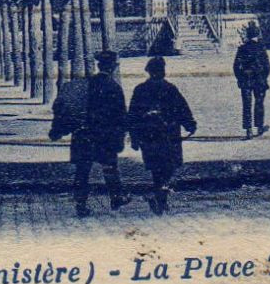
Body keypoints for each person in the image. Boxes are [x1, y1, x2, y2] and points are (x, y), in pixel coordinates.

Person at [49, 49, 130, 218]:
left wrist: (58, 129)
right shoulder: (114, 87)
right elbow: (120, 116)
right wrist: (120, 137)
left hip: (83, 135)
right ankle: (116, 197)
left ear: (99, 65)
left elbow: (70, 107)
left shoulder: (84, 84)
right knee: (110, 168)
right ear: (113, 67)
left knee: (82, 171)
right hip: (104, 136)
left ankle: (81, 204)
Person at [127, 56, 197, 215]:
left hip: (151, 138)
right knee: (167, 167)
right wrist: (190, 124)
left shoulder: (141, 90)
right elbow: (182, 109)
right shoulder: (169, 88)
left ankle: (159, 197)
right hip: (166, 137)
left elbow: (132, 116)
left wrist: (135, 137)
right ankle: (160, 198)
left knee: (157, 169)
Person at [232, 22, 270, 139]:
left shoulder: (242, 48)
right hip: (259, 80)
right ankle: (259, 127)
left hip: (246, 80)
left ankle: (248, 130)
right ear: (257, 34)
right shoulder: (261, 48)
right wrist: (264, 77)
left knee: (247, 104)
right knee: (259, 103)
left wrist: (240, 78)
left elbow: (236, 66)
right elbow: (267, 66)